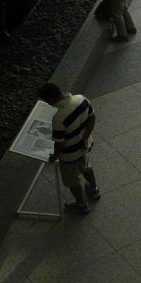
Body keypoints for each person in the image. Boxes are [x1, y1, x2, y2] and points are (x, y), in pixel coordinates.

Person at [39, 82, 100, 214]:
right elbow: (92, 118)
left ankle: (81, 205)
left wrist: (54, 157)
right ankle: (94, 189)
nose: (49, 104)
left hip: (69, 155)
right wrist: (85, 138)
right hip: (84, 146)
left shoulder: (58, 118)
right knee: (86, 167)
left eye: (47, 101)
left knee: (72, 180)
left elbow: (60, 143)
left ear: (50, 98)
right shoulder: (81, 99)